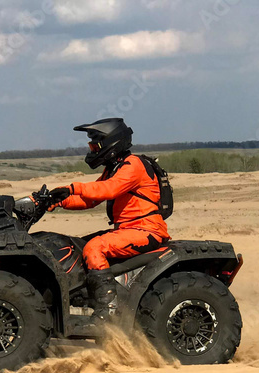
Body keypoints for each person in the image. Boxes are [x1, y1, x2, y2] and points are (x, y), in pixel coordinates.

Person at [47, 119, 169, 322]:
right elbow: (91, 200)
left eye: (95, 146)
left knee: (94, 248)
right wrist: (57, 201)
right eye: (91, 147)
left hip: (146, 230)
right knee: (78, 246)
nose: (93, 150)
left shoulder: (134, 165)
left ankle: (107, 310)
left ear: (111, 143)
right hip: (127, 230)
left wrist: (73, 187)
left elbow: (108, 190)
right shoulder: (115, 168)